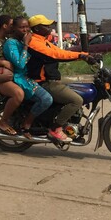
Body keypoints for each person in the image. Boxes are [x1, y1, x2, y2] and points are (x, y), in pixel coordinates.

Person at [27, 14, 94, 142]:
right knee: (76, 100)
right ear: (36, 29)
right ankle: (55, 128)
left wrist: (86, 55)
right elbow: (55, 55)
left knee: (80, 86)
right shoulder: (34, 42)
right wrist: (81, 56)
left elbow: (62, 52)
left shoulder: (44, 41)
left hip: (53, 79)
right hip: (43, 82)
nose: (49, 27)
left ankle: (71, 123)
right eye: (46, 26)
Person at [3, 17, 54, 140]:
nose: (25, 30)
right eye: (21, 27)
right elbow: (20, 64)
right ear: (14, 28)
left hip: (28, 76)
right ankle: (26, 124)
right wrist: (26, 44)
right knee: (46, 99)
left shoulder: (21, 41)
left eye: (27, 27)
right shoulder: (11, 43)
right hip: (20, 78)